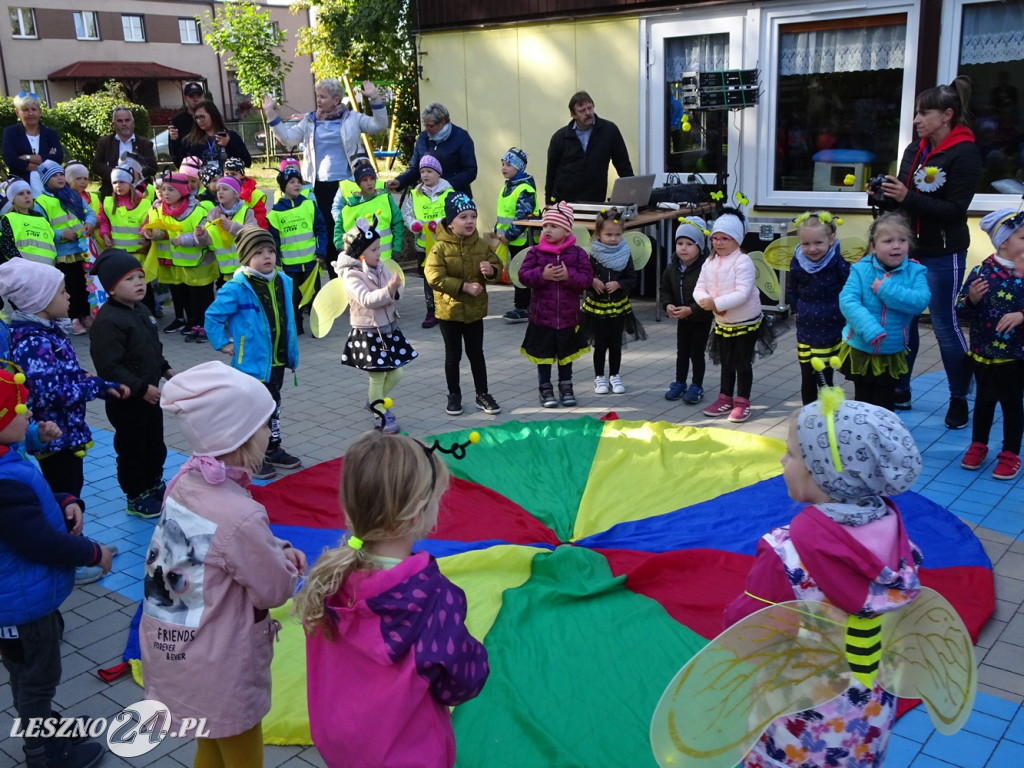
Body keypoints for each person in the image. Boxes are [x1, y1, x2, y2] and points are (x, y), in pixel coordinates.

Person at [723, 393, 924, 768]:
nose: (783, 460)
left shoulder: (785, 552)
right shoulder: (903, 546)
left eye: (792, 454)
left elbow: (750, 632)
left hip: (799, 720)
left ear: (823, 471)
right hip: (867, 714)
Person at [141, 360, 306, 768]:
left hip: (177, 654)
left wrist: (275, 545)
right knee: (241, 751)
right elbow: (273, 590)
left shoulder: (184, 483)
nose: (271, 432)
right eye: (266, 425)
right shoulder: (239, 514)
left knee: (209, 745)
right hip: (222, 667)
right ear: (241, 439)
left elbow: (219, 551)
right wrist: (285, 564)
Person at [294, 429, 489, 768]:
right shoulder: (429, 598)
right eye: (437, 499)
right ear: (416, 514)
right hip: (409, 755)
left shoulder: (328, 577)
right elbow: (462, 683)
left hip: (342, 746)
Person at [0, 367, 114, 768]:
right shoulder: (3, 482)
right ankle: (42, 752)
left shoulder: (7, 457)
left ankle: (44, 727)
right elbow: (40, 542)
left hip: (23, 600)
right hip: (22, 608)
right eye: (19, 410)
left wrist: (65, 498)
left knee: (28, 673)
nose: (29, 414)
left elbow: (33, 500)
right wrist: (92, 552)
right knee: (35, 678)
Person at [878, 76, 981, 427]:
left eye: (924, 113)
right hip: (911, 250)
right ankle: (901, 389)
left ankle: (958, 399)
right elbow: (903, 197)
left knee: (944, 324)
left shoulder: (965, 153)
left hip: (944, 251)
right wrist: (882, 195)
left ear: (947, 115)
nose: (917, 120)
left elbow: (954, 210)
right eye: (916, 113)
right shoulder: (914, 149)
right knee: (904, 321)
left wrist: (907, 197)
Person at [0, 258, 128, 508]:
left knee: (71, 490)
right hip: (54, 436)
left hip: (64, 431)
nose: (69, 297)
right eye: (62, 292)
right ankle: (72, 541)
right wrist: (98, 388)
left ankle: (73, 539)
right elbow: (51, 392)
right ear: (41, 302)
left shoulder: (48, 332)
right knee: (65, 494)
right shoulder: (34, 341)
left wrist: (85, 378)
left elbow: (60, 372)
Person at [205, 227, 303, 481]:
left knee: (273, 406)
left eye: (270, 251)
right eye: (259, 252)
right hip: (251, 363)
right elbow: (213, 317)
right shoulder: (238, 287)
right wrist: (223, 343)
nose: (267, 256)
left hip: (278, 360)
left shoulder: (283, 281)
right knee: (254, 411)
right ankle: (251, 457)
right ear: (246, 257)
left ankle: (272, 448)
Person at [262, 79, 388, 268]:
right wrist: (270, 113)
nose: (318, 100)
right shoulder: (309, 121)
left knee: (351, 229)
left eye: (323, 96)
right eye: (317, 96)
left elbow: (379, 125)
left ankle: (355, 275)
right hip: (319, 185)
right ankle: (334, 276)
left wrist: (375, 98)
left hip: (348, 184)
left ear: (336, 99)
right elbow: (288, 138)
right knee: (328, 232)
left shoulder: (352, 118)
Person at [89, 249, 175, 518]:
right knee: (132, 450)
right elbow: (109, 366)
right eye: (129, 279)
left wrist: (166, 369)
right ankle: (135, 495)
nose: (139, 282)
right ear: (112, 289)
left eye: (140, 276)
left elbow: (151, 348)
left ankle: (153, 484)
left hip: (150, 397)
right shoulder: (108, 321)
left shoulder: (141, 309)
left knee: (155, 445)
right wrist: (140, 388)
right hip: (127, 400)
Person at [955, 209, 1024, 481]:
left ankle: (1010, 453)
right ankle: (978, 444)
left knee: (1011, 404)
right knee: (984, 401)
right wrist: (971, 299)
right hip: (983, 353)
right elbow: (961, 312)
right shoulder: (981, 271)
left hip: (1016, 356)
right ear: (1003, 242)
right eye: (1022, 237)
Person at [838, 213, 930, 411]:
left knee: (884, 403)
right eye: (888, 241)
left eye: (902, 240)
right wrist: (870, 329)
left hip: (891, 350)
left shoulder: (916, 271)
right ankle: (861, 439)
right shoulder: (861, 269)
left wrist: (885, 290)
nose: (896, 246)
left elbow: (920, 302)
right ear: (873, 245)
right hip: (861, 346)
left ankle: (882, 440)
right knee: (862, 401)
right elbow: (848, 301)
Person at [336, 216, 417, 434]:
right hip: (369, 333)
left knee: (397, 373)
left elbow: (396, 290)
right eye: (374, 249)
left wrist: (395, 288)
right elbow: (367, 300)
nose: (379, 253)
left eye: (379, 248)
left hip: (389, 328)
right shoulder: (352, 276)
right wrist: (388, 290)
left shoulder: (380, 266)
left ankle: (374, 401)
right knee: (378, 376)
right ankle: (380, 414)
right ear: (360, 254)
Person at [425, 193, 503, 417]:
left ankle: (482, 394)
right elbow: (434, 277)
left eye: (473, 216)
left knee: (476, 353)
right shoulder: (439, 248)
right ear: (450, 222)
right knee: (453, 355)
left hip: (474, 312)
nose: (470, 221)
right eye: (463, 217)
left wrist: (492, 271)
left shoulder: (481, 244)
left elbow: (496, 266)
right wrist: (464, 287)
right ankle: (454, 395)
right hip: (449, 312)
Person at [693, 208, 773, 423]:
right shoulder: (709, 261)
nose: (719, 243)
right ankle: (725, 398)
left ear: (737, 239)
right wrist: (706, 302)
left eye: (725, 238)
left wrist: (717, 304)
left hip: (744, 321)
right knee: (726, 362)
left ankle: (742, 401)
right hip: (722, 322)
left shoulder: (742, 262)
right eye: (715, 238)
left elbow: (742, 293)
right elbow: (699, 286)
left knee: (742, 362)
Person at [518, 202, 593, 408]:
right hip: (541, 317)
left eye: (553, 226)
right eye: (545, 226)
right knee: (543, 354)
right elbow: (523, 276)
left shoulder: (577, 254)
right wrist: (542, 275)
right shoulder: (535, 252)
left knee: (566, 354)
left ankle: (566, 386)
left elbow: (587, 279)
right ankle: (545, 387)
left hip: (568, 317)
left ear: (566, 229)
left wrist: (569, 276)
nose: (547, 230)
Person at [142, 172, 215, 343]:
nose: (165, 193)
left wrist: (184, 239)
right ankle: (196, 324)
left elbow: (206, 236)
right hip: (183, 263)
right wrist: (154, 234)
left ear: (183, 191)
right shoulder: (164, 210)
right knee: (191, 296)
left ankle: (208, 326)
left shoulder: (198, 211)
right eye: (164, 189)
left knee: (204, 296)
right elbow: (166, 232)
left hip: (201, 263)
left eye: (171, 190)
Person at [787, 211, 850, 405]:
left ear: (831, 239)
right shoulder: (798, 262)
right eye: (806, 244)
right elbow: (792, 287)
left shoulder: (838, 262)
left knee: (825, 374)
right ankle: (809, 413)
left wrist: (849, 315)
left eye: (818, 243)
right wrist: (795, 309)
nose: (812, 249)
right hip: (806, 326)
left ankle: (829, 413)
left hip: (830, 325)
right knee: (807, 374)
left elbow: (849, 289)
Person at [581, 208, 645, 394]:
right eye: (608, 234)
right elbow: (583, 277)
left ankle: (615, 375)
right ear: (598, 234)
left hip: (618, 307)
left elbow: (632, 278)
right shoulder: (592, 255)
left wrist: (619, 284)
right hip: (597, 307)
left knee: (616, 344)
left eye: (617, 234)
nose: (613, 238)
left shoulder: (625, 253)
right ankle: (599, 377)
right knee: (600, 344)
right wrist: (592, 281)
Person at [34, 161, 96, 335]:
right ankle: (71, 318)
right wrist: (61, 234)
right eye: (54, 175)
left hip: (81, 249)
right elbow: (42, 228)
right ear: (46, 180)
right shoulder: (41, 202)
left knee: (84, 284)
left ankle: (85, 314)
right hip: (62, 253)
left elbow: (89, 213)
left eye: (61, 174)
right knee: (68, 287)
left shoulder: (73, 195)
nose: (60, 178)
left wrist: (89, 224)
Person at [268, 166, 328, 335]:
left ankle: (319, 326)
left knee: (315, 297)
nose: (297, 185)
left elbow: (321, 229)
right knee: (293, 297)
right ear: (283, 186)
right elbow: (274, 241)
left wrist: (321, 251)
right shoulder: (275, 213)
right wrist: (277, 262)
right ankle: (297, 326)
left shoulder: (309, 205)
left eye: (299, 182)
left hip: (311, 262)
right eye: (292, 182)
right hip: (290, 265)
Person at [545, 91, 634, 204]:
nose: (588, 113)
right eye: (582, 111)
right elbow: (551, 173)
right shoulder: (560, 137)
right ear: (573, 114)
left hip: (595, 200)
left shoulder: (609, 131)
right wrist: (549, 203)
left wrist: (632, 196)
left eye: (590, 108)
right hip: (565, 203)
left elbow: (623, 165)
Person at [662, 216, 713, 404]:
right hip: (682, 319)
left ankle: (697, 385)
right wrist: (667, 304)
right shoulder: (672, 267)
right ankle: (679, 382)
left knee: (696, 353)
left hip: (700, 318)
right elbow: (664, 288)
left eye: (689, 244)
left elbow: (710, 296)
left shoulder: (706, 269)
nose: (683, 248)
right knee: (682, 351)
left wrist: (691, 310)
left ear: (699, 247)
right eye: (680, 243)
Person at [402, 154, 455, 328]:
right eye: (422, 171)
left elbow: (454, 215)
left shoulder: (449, 193)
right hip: (423, 246)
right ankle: (431, 311)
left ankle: (447, 309)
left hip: (444, 245)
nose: (425, 175)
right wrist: (413, 224)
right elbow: (408, 214)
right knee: (428, 279)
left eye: (430, 171)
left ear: (438, 173)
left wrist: (440, 223)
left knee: (446, 277)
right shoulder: (415, 194)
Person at [388, 103, 478, 197]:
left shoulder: (461, 137)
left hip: (455, 197)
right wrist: (399, 181)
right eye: (425, 125)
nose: (427, 129)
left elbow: (470, 171)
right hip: (428, 197)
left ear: (443, 123)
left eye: (430, 126)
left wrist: (447, 185)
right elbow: (414, 169)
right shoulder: (423, 137)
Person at [495, 147, 539, 323]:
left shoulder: (524, 189)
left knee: (521, 273)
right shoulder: (509, 186)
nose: (504, 168)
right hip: (510, 240)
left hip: (522, 240)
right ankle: (522, 306)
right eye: (503, 164)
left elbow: (522, 217)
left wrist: (508, 235)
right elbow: (504, 213)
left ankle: (524, 308)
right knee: (516, 272)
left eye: (508, 165)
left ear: (519, 168)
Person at [332, 158, 404, 261]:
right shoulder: (349, 207)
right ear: (358, 183)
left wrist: (397, 248)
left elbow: (398, 223)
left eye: (372, 179)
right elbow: (338, 231)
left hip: (385, 260)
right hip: (360, 264)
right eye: (365, 180)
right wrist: (343, 249)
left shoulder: (386, 199)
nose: (369, 183)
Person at [92, 106, 157, 198]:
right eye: (120, 121)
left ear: (133, 123)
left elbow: (152, 167)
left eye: (127, 120)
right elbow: (97, 165)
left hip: (140, 192)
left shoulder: (145, 143)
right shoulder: (105, 143)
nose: (124, 124)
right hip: (112, 192)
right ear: (114, 124)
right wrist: (117, 174)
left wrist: (136, 174)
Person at [2, 92, 63, 184]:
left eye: (34, 109)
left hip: (49, 184)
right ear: (17, 112)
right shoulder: (11, 132)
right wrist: (44, 165)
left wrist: (26, 157)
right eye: (25, 110)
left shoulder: (50, 133)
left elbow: (57, 158)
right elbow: (10, 160)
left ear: (40, 111)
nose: (30, 113)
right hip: (22, 185)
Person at [204, 176, 257, 278]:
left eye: (225, 189)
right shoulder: (212, 213)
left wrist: (232, 227)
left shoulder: (246, 211)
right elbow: (208, 238)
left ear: (236, 194)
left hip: (246, 269)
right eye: (218, 189)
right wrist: (200, 235)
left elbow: (254, 233)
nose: (220, 192)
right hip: (223, 270)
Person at [178, 101, 251, 170]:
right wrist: (174, 141)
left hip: (226, 181)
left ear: (213, 116)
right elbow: (180, 164)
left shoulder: (230, 136)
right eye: (196, 118)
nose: (199, 121)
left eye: (202, 117)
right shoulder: (192, 140)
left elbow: (247, 162)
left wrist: (229, 144)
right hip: (201, 181)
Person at [0, 179, 55, 265]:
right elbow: (6, 245)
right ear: (12, 199)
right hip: (26, 268)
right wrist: (22, 262)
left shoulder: (40, 216)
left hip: (49, 265)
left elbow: (50, 238)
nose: (26, 196)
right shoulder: (9, 218)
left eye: (28, 192)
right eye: (21, 194)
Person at [168, 81, 207, 167]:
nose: (196, 99)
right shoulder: (177, 121)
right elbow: (174, 152)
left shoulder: (211, 117)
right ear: (185, 98)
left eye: (199, 96)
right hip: (189, 169)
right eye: (192, 96)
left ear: (203, 97)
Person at [223, 156, 268, 229]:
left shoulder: (254, 194)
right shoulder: (221, 191)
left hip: (248, 234)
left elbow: (260, 222)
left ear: (242, 176)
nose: (230, 177)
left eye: (233, 174)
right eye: (227, 173)